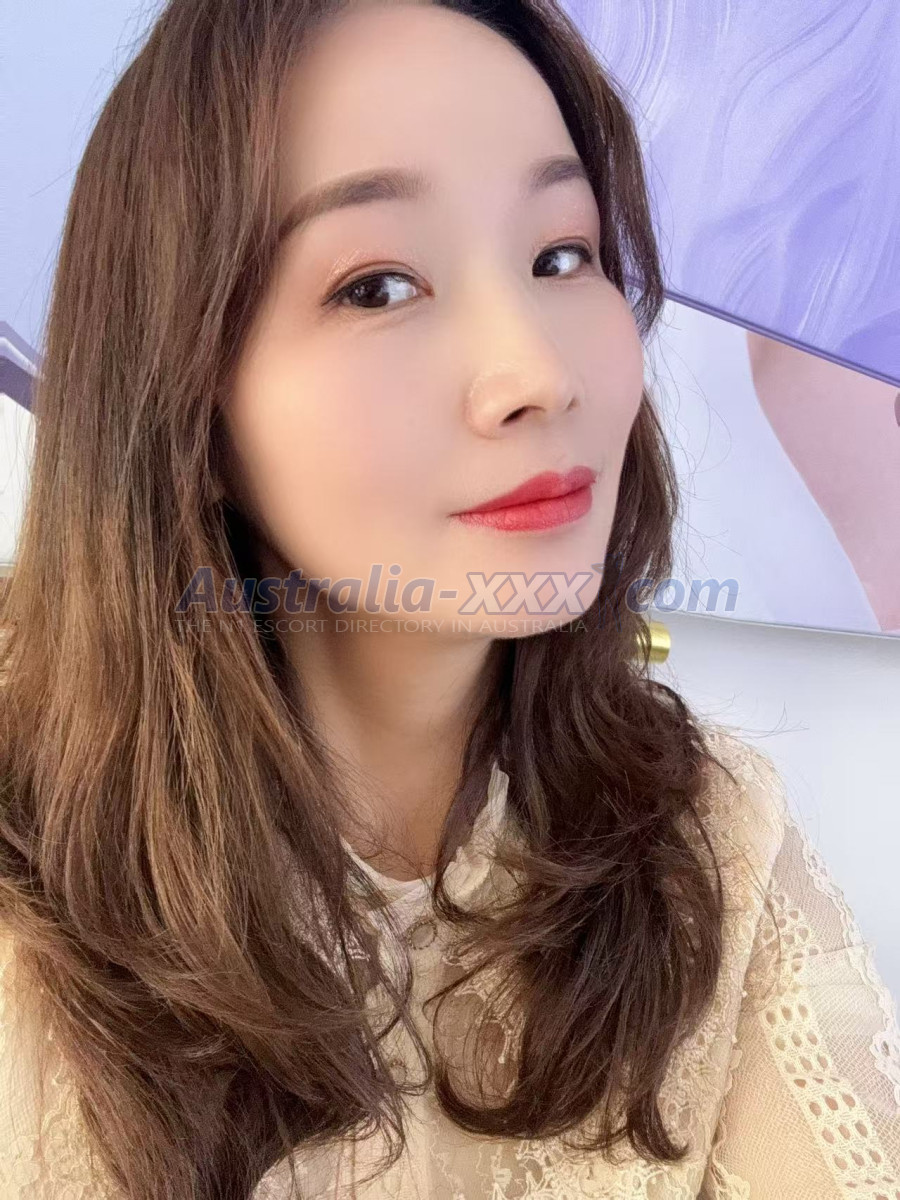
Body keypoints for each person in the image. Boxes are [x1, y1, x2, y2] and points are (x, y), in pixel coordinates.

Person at [1, 0, 898, 1196]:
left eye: (562, 255)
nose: (535, 372)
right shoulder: (34, 893)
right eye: (378, 285)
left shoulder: (706, 840)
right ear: (186, 402)